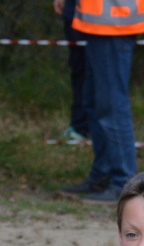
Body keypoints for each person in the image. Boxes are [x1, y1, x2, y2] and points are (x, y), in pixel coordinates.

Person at [60, 0, 144, 202]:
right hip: (103, 19)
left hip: (114, 21)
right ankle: (102, 174)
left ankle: (123, 182)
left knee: (112, 106)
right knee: (94, 103)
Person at [53, 0, 91, 143]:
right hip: (75, 11)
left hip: (109, 16)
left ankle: (100, 128)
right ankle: (80, 127)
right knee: (79, 70)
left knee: (102, 73)